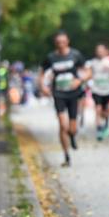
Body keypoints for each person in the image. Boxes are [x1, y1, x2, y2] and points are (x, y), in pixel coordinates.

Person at [40, 31, 89, 167]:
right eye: (58, 42)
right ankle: (66, 156)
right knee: (62, 125)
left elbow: (88, 71)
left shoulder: (75, 55)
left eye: (63, 42)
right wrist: (42, 86)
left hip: (74, 94)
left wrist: (79, 80)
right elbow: (42, 73)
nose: (61, 44)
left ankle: (72, 135)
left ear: (68, 41)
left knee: (72, 127)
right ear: (56, 43)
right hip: (59, 94)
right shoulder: (51, 57)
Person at [87, 43, 109, 141]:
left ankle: (106, 125)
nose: (99, 52)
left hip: (107, 90)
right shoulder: (93, 62)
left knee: (105, 110)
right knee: (98, 109)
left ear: (106, 51)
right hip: (96, 90)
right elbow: (89, 74)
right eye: (98, 50)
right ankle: (99, 129)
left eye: (101, 50)